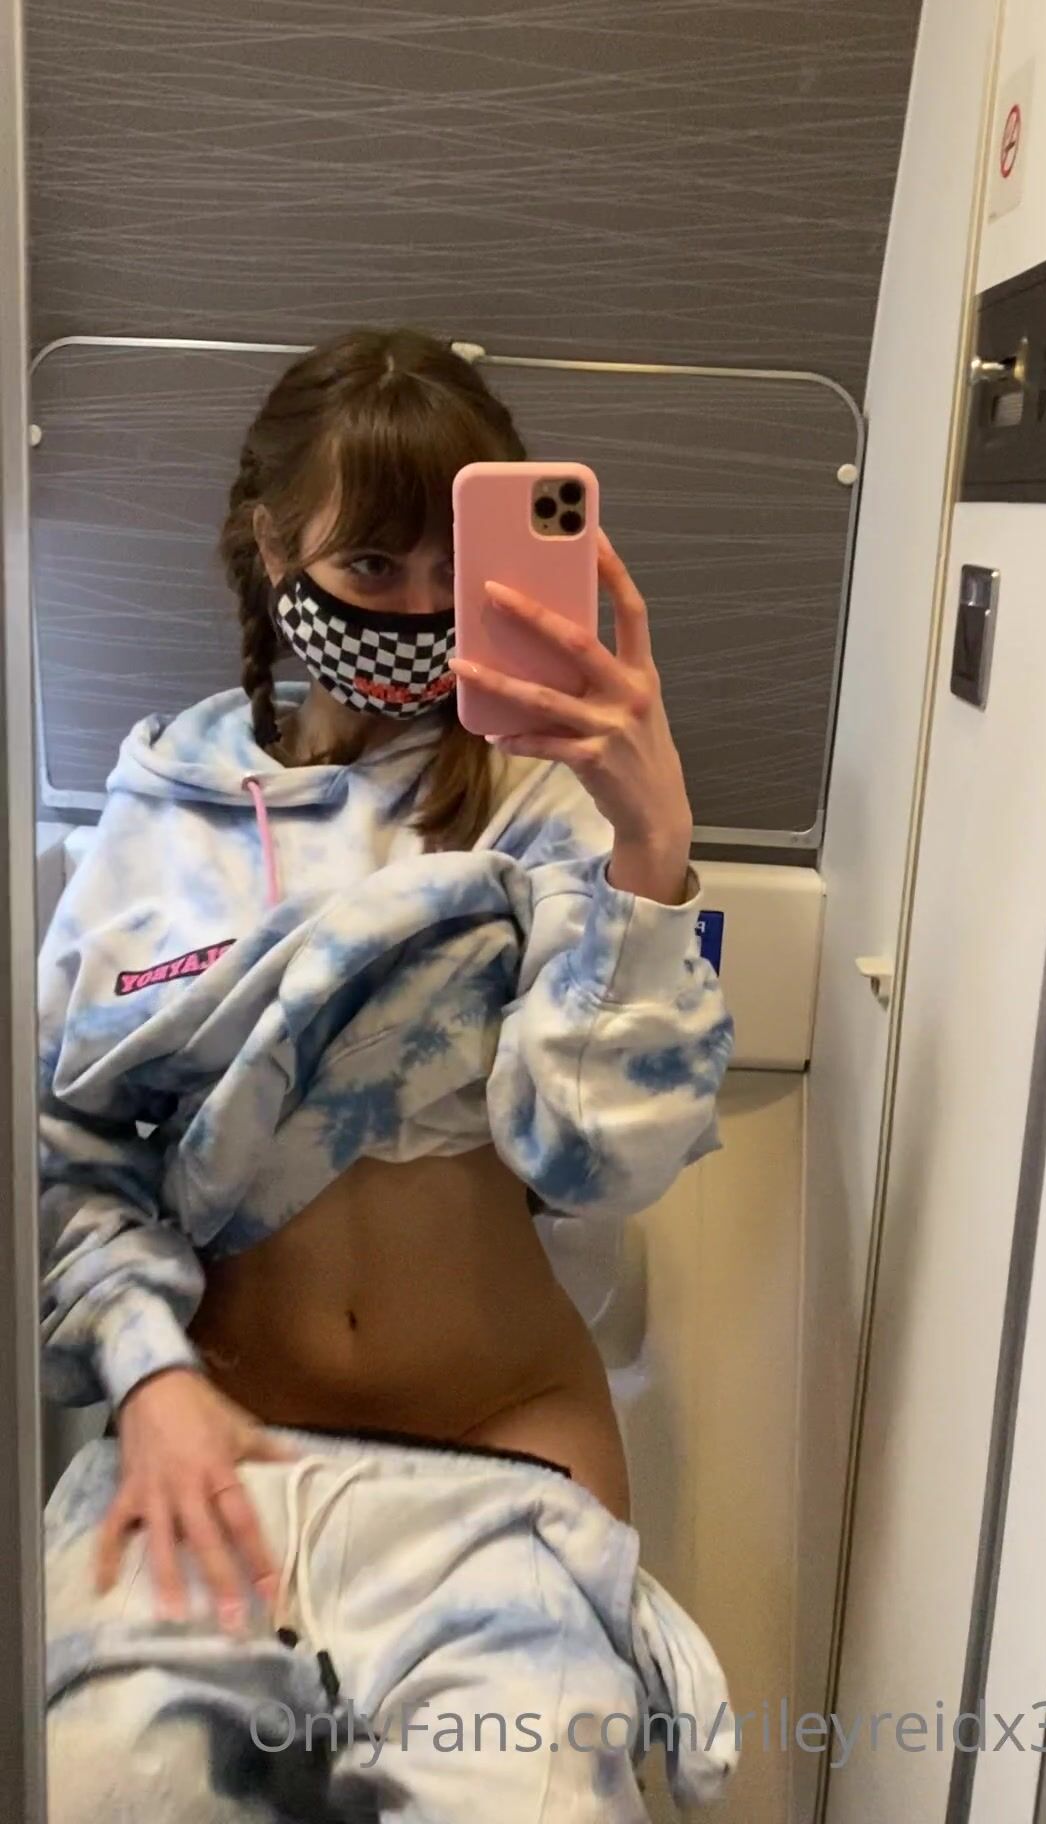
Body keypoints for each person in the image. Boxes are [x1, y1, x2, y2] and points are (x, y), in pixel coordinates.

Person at [39, 327, 738, 1820]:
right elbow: (73, 1155)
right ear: (271, 551)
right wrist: (149, 1379)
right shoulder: (166, 812)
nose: (420, 611)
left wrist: (650, 854)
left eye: (454, 570)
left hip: (500, 1455)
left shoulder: (552, 803)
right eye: (371, 565)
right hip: (215, 1451)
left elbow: (598, 1162)